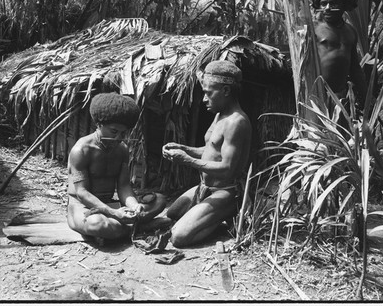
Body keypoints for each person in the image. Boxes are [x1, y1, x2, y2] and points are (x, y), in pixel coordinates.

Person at [162, 60, 251, 248]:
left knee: (178, 238)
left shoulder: (236, 122)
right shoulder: (220, 116)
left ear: (226, 91)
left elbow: (227, 168)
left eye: (208, 93)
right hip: (205, 187)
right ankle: (207, 216)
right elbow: (209, 152)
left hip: (225, 191)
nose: (204, 99)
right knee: (172, 214)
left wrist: (187, 160)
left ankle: (224, 215)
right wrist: (183, 148)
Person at [67, 92, 166, 241]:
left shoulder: (122, 149)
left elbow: (124, 187)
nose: (118, 138)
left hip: (111, 205)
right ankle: (139, 227)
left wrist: (133, 206)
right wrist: (114, 213)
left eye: (123, 133)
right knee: (99, 225)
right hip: (83, 206)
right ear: (99, 124)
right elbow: (82, 193)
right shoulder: (81, 151)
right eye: (113, 132)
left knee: (159, 200)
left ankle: (122, 227)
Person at [312, 0, 367, 106]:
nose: (327, 8)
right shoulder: (313, 29)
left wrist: (367, 99)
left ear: (344, 4)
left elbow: (354, 68)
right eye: (323, 4)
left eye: (333, 3)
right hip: (315, 98)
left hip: (340, 99)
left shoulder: (350, 31)